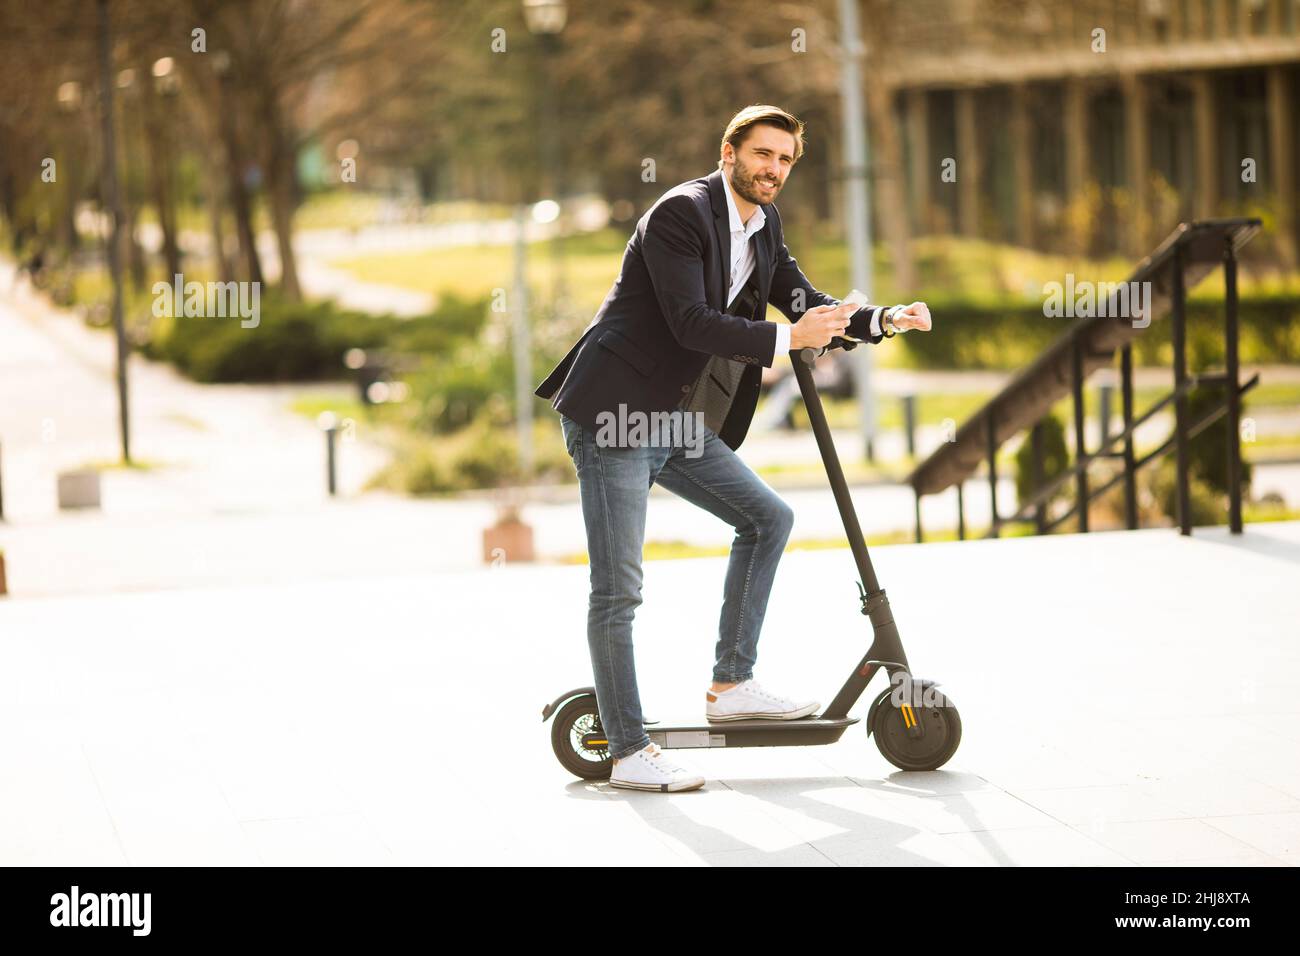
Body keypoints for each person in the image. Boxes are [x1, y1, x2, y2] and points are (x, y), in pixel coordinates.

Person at [535, 104, 932, 792]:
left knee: (768, 518)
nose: (773, 169)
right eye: (762, 155)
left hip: (676, 420)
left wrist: (879, 319)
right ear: (729, 152)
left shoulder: (764, 224)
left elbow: (802, 299)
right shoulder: (680, 215)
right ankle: (628, 751)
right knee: (619, 591)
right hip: (616, 416)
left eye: (785, 159)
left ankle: (732, 684)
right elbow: (691, 323)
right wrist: (788, 340)